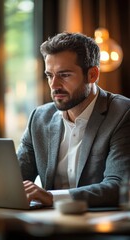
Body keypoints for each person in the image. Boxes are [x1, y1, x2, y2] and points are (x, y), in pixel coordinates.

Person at [17, 32, 130, 208]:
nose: (54, 85)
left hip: (102, 226)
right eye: (49, 75)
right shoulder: (39, 118)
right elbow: (14, 182)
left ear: (92, 75)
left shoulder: (123, 114)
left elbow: (118, 186)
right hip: (47, 225)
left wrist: (51, 198)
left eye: (65, 75)